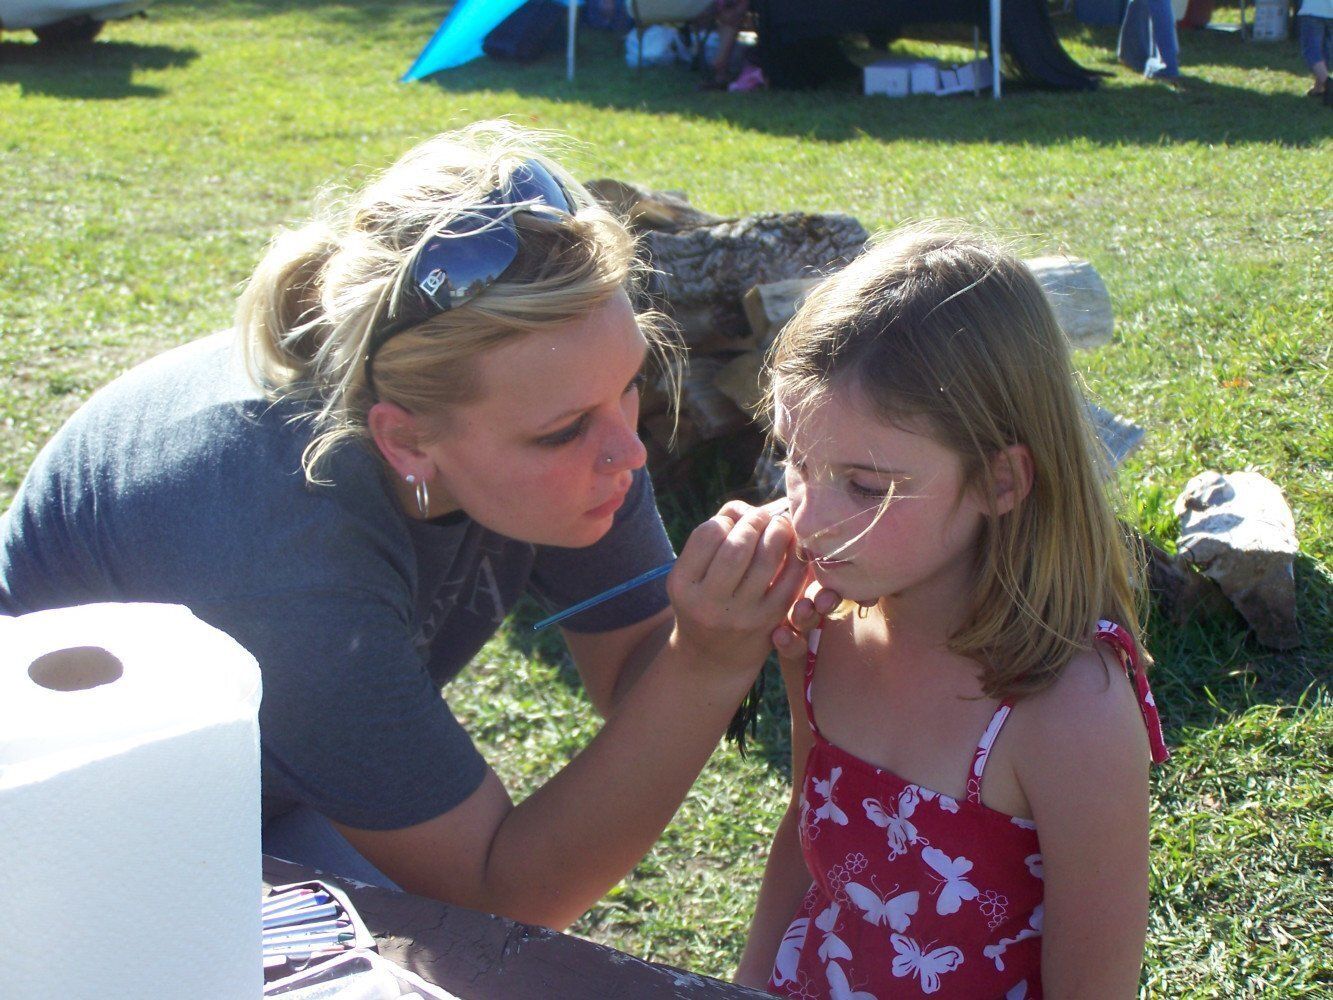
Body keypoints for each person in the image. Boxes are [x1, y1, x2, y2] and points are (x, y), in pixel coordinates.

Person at [0, 122, 809, 931]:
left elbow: (636, 666)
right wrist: (704, 664)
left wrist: (721, 631)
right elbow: (499, 895)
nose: (627, 451)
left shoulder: (553, 405)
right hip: (60, 843)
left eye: (628, 384)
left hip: (245, 791)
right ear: (407, 441)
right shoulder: (286, 548)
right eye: (564, 431)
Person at [733, 224, 1170, 998]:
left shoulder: (1069, 710)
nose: (807, 518)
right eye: (796, 461)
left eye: (865, 487)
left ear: (999, 482)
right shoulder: (823, 626)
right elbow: (805, 828)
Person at [1296, 0, 1333, 102]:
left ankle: (1328, 84)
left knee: (1311, 50)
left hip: (1313, 9)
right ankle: (1319, 87)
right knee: (1326, 50)